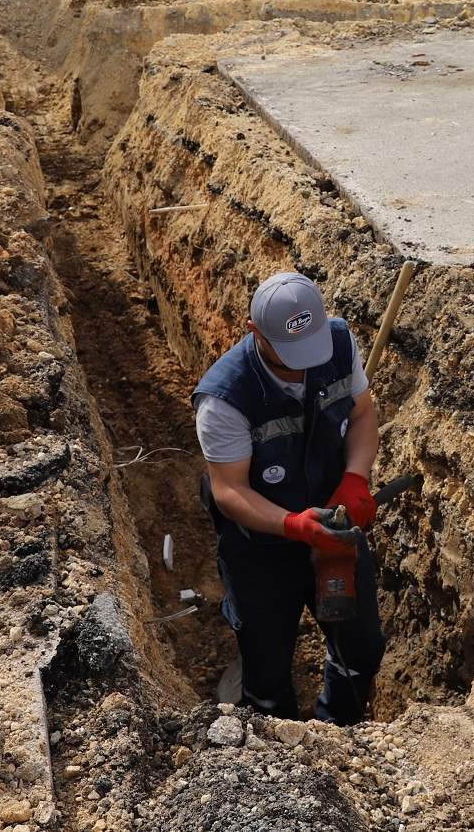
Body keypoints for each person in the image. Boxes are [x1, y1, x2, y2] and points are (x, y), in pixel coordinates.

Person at [195, 272, 384, 723]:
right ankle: (275, 739)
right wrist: (294, 525)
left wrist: (355, 479)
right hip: (261, 545)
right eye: (289, 356)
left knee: (361, 651)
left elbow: (362, 415)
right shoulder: (225, 397)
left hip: (333, 529)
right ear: (255, 332)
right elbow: (229, 490)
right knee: (266, 667)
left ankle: (339, 730)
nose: (302, 368)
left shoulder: (337, 344)